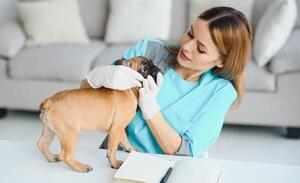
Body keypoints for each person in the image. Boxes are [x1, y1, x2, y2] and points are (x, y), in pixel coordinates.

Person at [86, 7, 252, 157]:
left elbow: (186, 152)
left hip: (166, 169)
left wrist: (150, 110)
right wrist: (99, 77)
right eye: (190, 34)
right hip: (117, 155)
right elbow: (91, 104)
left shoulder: (220, 93)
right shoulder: (149, 51)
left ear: (222, 61)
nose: (186, 46)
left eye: (201, 49)